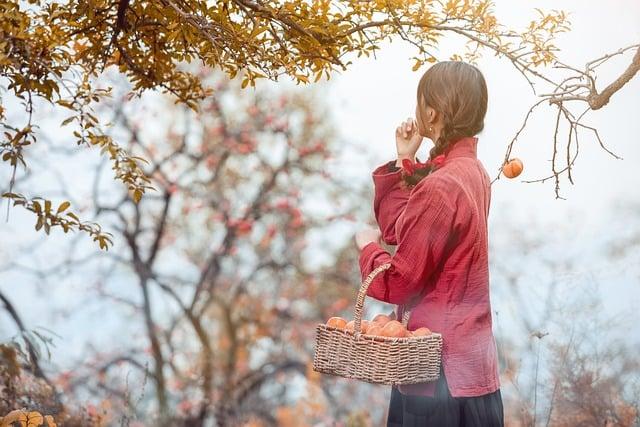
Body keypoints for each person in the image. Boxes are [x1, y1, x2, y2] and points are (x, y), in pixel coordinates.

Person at [354, 60, 504, 426]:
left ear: (432, 111)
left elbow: (402, 279)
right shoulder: (473, 173)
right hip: (474, 372)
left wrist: (367, 248)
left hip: (437, 379)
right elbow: (408, 231)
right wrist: (406, 159)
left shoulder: (441, 185)